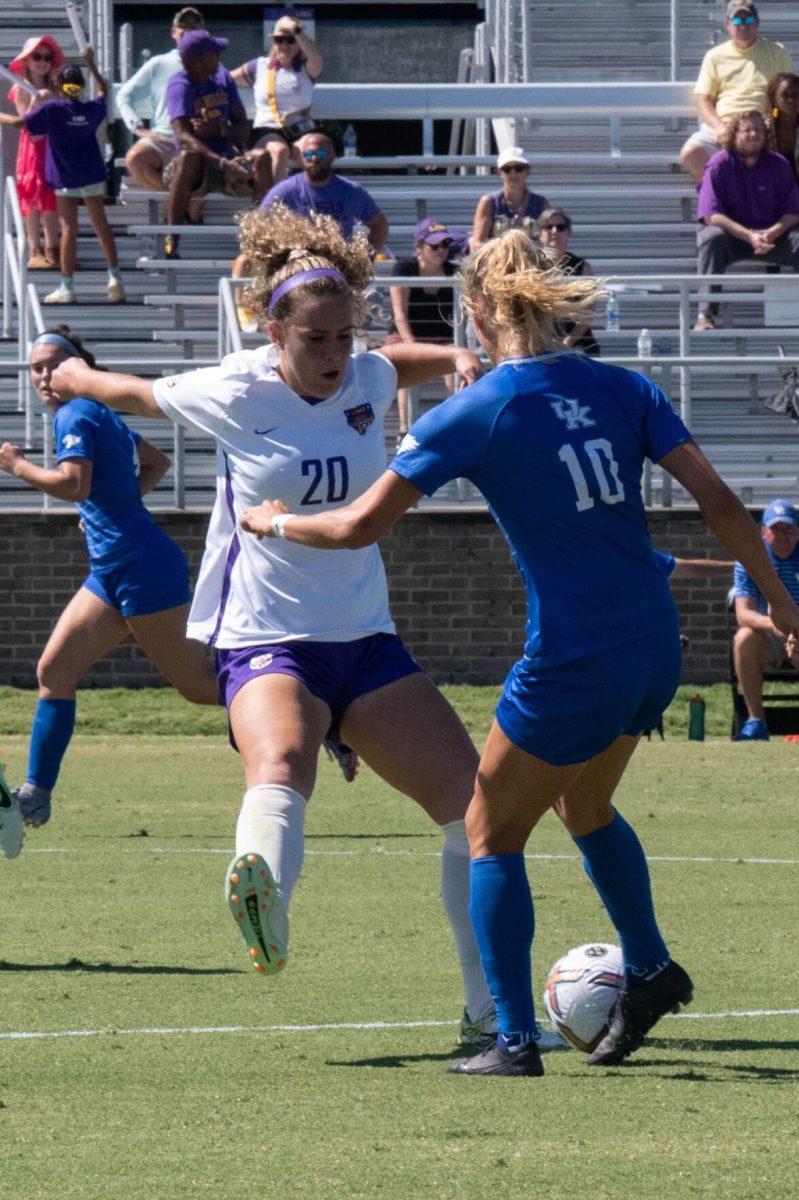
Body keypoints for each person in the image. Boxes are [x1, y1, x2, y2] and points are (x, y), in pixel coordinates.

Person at [236, 230, 799, 1077]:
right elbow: (720, 500)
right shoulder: (623, 386)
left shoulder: (477, 408)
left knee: (488, 832)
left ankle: (510, 1039)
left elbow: (357, 527)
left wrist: (269, 521)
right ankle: (649, 970)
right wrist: (782, 598)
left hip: (573, 653)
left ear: (478, 309)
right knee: (585, 808)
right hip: (653, 641)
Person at [46, 208, 527, 1057]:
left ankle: (485, 1012)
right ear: (274, 330)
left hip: (366, 640)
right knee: (281, 763)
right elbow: (134, 395)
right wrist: (75, 373)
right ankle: (263, 889)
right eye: (316, 337)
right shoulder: (234, 387)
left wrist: (455, 356)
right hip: (264, 636)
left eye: (345, 333)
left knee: (473, 812)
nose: (336, 351)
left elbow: (392, 363)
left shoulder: (366, 378)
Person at [0, 327, 217, 834]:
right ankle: (34, 795)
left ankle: (319, 713)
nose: (45, 375)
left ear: (81, 366)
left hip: (142, 568)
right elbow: (155, 464)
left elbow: (73, 483)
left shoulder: (76, 412)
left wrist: (16, 465)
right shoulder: (102, 413)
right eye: (36, 367)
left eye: (55, 363)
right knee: (54, 670)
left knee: (201, 687)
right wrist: (112, 506)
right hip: (114, 570)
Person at [0, 50, 126, 305]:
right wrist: (91, 62)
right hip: (91, 175)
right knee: (101, 225)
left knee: (69, 228)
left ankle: (66, 287)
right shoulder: (91, 110)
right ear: (80, 87)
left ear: (58, 85)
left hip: (66, 178)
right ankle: (115, 279)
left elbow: (18, 123)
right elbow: (104, 91)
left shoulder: (53, 110)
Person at [232, 133, 388, 330]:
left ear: (332, 155)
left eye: (321, 153)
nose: (315, 158)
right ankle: (244, 311)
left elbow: (379, 225)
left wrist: (364, 259)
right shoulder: (286, 190)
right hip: (293, 262)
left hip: (334, 263)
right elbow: (257, 225)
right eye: (309, 154)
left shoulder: (350, 191)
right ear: (301, 157)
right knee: (245, 259)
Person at [694, 109, 799, 331]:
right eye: (747, 130)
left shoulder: (779, 164)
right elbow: (711, 215)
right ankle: (706, 316)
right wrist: (749, 235)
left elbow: (793, 212)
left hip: (773, 238)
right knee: (711, 237)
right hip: (733, 238)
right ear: (734, 134)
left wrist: (771, 233)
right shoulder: (718, 164)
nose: (753, 134)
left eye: (759, 130)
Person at [680, 2, 793, 183]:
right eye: (737, 20)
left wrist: (774, 124)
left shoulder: (776, 52)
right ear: (727, 24)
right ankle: (722, 203)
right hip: (726, 124)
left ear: (757, 23)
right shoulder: (714, 56)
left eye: (748, 19)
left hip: (763, 125)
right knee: (691, 153)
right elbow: (703, 99)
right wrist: (719, 127)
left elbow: (788, 96)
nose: (743, 25)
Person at [163, 30, 252, 259]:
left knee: (263, 160)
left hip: (226, 159)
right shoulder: (179, 85)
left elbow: (243, 127)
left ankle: (259, 243)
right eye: (215, 53)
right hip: (198, 168)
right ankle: (171, 240)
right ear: (200, 59)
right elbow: (182, 136)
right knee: (187, 156)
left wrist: (220, 130)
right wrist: (221, 162)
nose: (219, 57)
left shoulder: (223, 79)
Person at [231, 15, 323, 200]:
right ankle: (271, 207)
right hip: (267, 129)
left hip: (299, 130)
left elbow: (315, 55)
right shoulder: (260, 66)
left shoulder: (307, 69)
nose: (285, 45)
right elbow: (225, 81)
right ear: (273, 41)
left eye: (291, 40)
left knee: (316, 153)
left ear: (299, 43)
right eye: (279, 39)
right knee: (279, 150)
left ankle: (315, 207)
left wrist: (296, 31)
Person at [116, 6, 205, 193]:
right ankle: (174, 199)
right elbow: (124, 95)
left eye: (194, 28)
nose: (188, 32)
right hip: (164, 139)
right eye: (183, 28)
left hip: (200, 140)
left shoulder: (214, 65)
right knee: (135, 158)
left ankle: (183, 206)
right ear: (174, 32)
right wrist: (138, 127)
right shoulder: (158, 64)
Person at [732, 499, 799, 741]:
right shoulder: (750, 560)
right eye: (776, 528)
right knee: (743, 639)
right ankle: (756, 722)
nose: (783, 535)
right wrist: (781, 627)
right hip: (770, 634)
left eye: (788, 528)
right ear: (763, 532)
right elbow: (744, 614)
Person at [389, 218, 458, 444]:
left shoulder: (454, 272)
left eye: (445, 245)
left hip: (443, 339)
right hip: (407, 335)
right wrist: (412, 346)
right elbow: (399, 314)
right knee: (405, 360)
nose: (441, 251)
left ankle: (457, 424)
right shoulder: (405, 268)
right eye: (434, 246)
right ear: (419, 247)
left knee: (456, 363)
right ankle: (403, 429)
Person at [7, 34, 63, 269]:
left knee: (52, 199)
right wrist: (35, 101)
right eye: (37, 57)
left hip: (52, 146)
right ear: (28, 60)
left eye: (47, 58)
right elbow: (26, 121)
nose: (42, 62)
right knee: (31, 198)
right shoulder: (21, 88)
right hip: (32, 148)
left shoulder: (55, 87)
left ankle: (53, 247)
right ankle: (34, 248)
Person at [537, 207, 600, 356]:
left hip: (577, 344)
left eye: (560, 227)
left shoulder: (582, 267)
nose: (554, 231)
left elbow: (588, 314)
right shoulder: (531, 267)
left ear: (568, 233)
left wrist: (566, 343)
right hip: (540, 345)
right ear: (540, 234)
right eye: (548, 227)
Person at [470, 147, 548, 250]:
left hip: (530, 261)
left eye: (518, 168)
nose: (513, 173)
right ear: (500, 172)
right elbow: (477, 243)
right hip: (497, 261)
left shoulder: (540, 203)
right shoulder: (489, 202)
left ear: (527, 171)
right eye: (507, 169)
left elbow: (548, 241)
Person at [767, 70, 799, 180]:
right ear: (774, 100)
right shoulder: (763, 128)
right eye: (785, 96)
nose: (791, 100)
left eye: (795, 95)